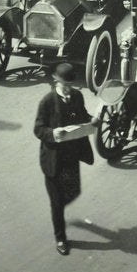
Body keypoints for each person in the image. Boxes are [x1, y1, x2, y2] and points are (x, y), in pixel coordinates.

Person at [33, 62, 97, 256]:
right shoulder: (47, 101)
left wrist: (93, 120)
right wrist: (53, 133)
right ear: (56, 82)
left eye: (70, 85)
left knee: (73, 191)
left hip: (71, 156)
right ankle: (60, 237)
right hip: (53, 160)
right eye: (64, 85)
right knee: (57, 202)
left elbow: (83, 116)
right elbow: (38, 129)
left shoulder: (77, 96)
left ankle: (59, 210)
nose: (68, 89)